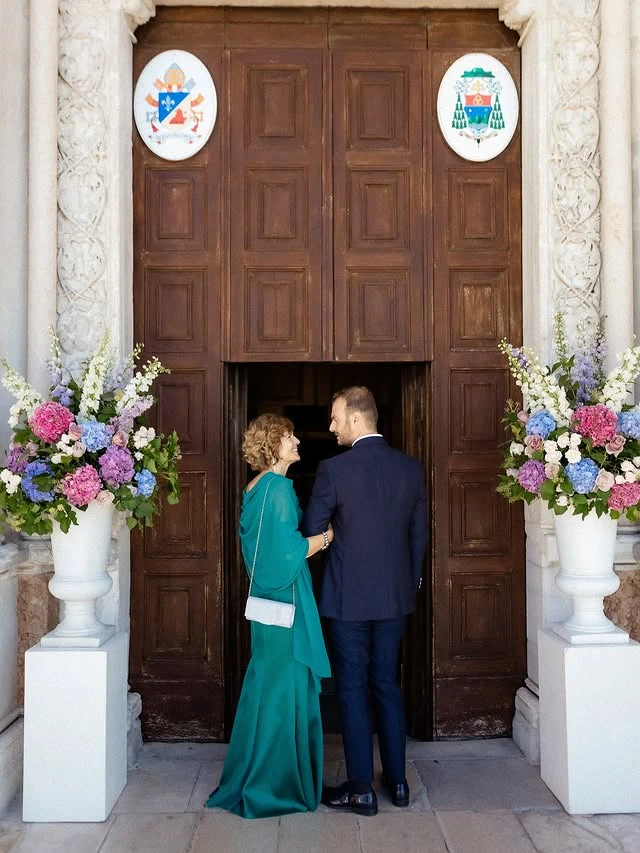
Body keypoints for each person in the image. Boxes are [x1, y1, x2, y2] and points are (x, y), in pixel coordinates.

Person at [303, 387, 427, 817]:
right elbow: (418, 538)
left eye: (336, 418)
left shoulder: (333, 471)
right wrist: (405, 586)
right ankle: (398, 782)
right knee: (387, 685)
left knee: (353, 689)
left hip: (347, 599)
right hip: (394, 599)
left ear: (357, 420)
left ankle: (361, 789)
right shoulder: (410, 469)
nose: (331, 427)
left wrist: (332, 535)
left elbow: (312, 529)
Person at [206, 413, 332, 819]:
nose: (297, 440)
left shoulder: (256, 487)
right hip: (285, 607)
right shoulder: (277, 488)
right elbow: (284, 555)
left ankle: (254, 774)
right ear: (271, 444)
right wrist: (326, 537)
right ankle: (275, 785)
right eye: (288, 436)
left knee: (266, 688)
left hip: (265, 607)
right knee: (284, 691)